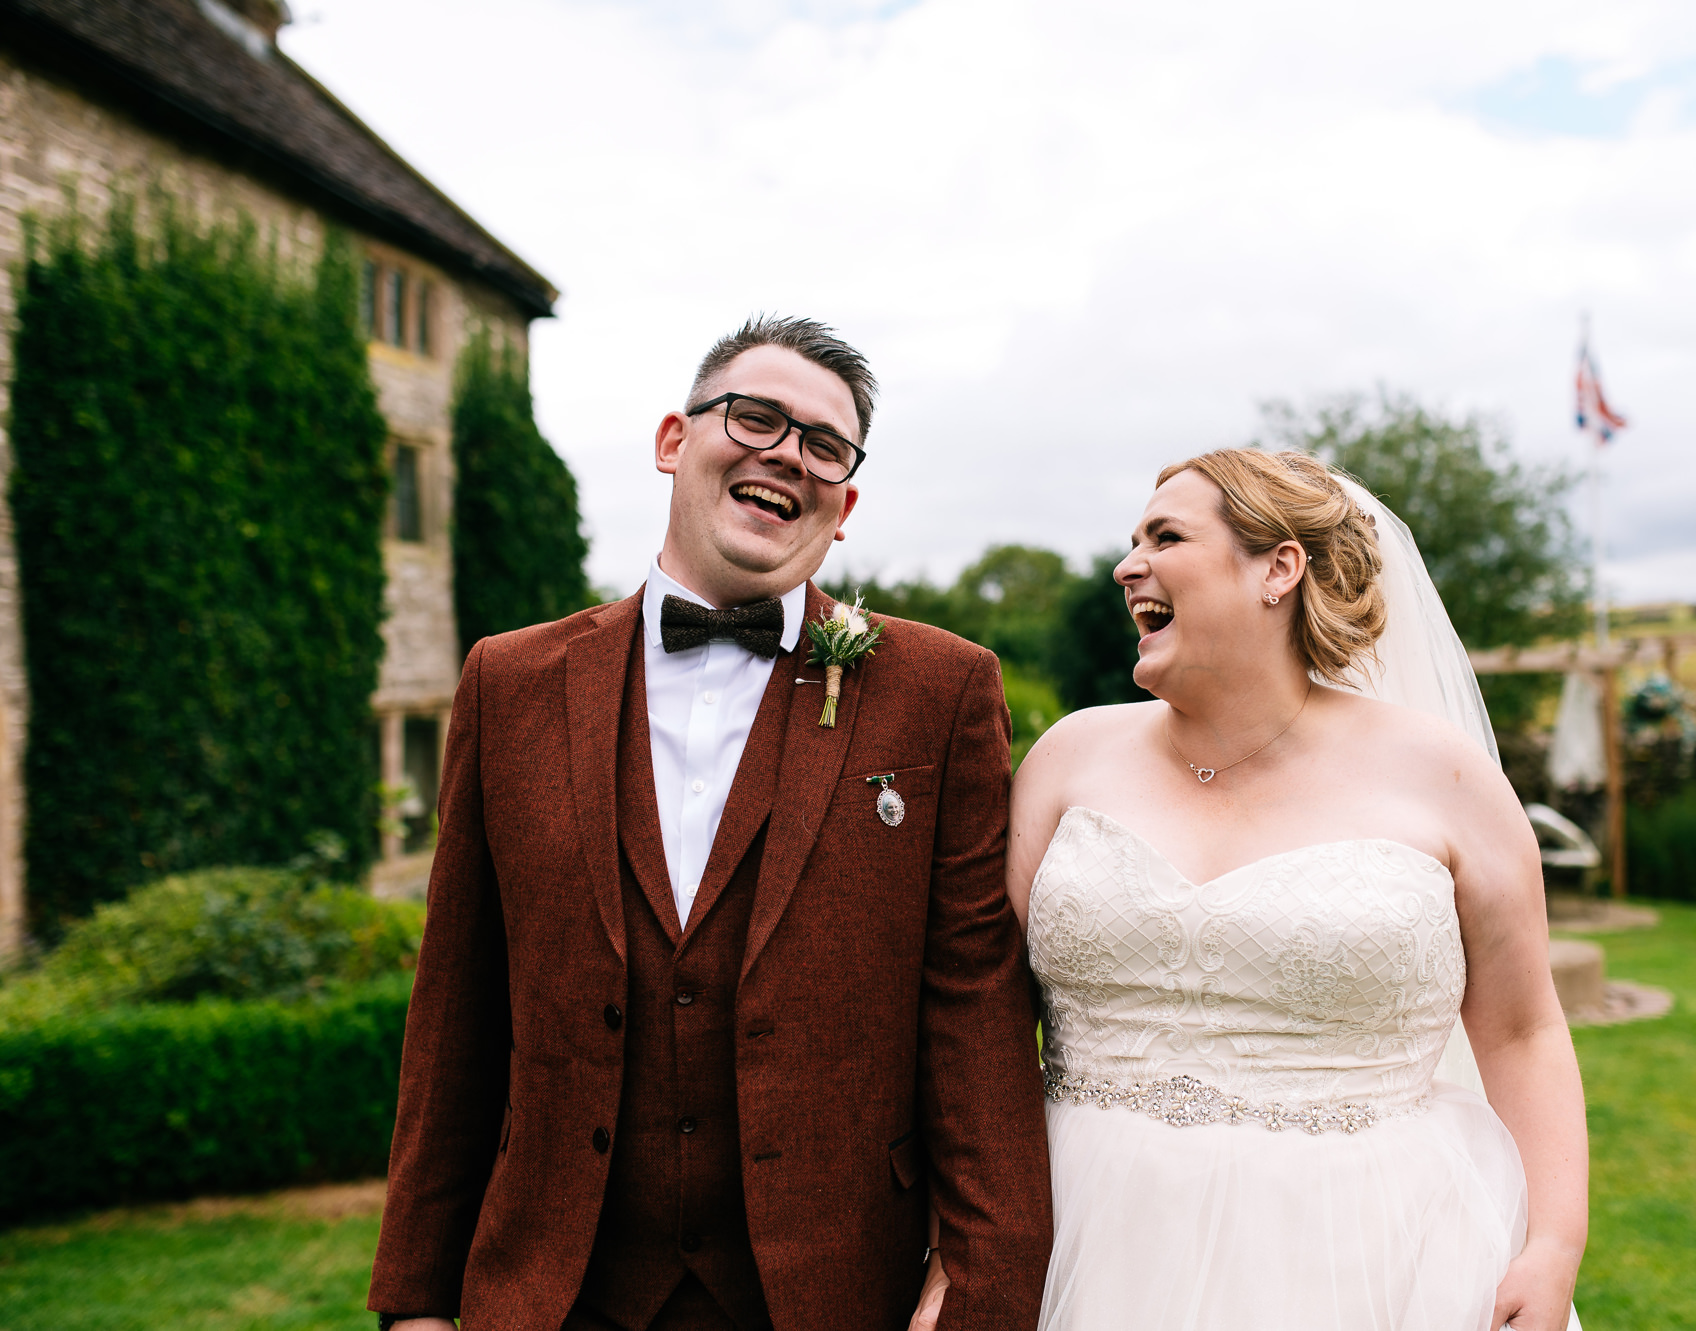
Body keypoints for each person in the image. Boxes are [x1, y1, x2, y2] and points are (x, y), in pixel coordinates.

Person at [368, 317, 1052, 1331]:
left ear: (845, 502)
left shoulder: (938, 689)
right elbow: (455, 1007)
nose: (787, 453)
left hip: (834, 1290)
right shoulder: (507, 682)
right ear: (671, 441)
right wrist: (415, 1299)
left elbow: (974, 1009)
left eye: (824, 444)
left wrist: (982, 1296)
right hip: (559, 1290)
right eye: (755, 416)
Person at [1007, 448, 1588, 1331]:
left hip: (1369, 1244)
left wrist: (1553, 1243)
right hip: (1082, 1230)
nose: (1129, 566)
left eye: (1166, 536)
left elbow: (1523, 1026)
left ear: (1278, 567)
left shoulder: (1446, 778)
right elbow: (982, 1013)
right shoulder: (1067, 757)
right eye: (1132, 541)